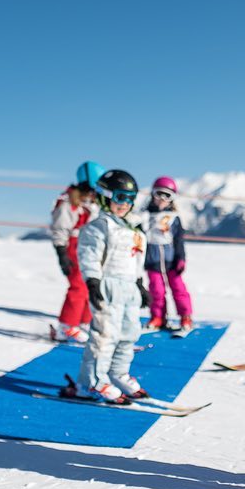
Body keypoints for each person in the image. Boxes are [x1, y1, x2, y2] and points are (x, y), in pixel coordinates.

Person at [69, 169, 152, 404]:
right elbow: (89, 255)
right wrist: (93, 282)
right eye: (120, 197)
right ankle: (91, 382)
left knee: (129, 334)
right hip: (107, 286)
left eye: (130, 198)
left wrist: (140, 284)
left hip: (129, 289)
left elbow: (136, 260)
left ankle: (118, 373)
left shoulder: (133, 229)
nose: (125, 204)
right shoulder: (99, 226)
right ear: (105, 197)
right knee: (105, 336)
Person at [49, 161, 104, 343]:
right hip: (73, 246)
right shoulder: (68, 202)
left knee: (91, 283)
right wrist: (61, 252)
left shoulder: (93, 201)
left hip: (89, 246)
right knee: (78, 286)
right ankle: (66, 326)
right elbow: (60, 228)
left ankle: (84, 322)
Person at [141, 176, 194, 333]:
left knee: (178, 289)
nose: (162, 199)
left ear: (172, 199)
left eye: (167, 195)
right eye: (159, 194)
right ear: (152, 195)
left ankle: (185, 316)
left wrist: (181, 258)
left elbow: (178, 240)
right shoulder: (145, 216)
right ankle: (158, 317)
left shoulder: (174, 218)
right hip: (152, 260)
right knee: (156, 291)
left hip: (171, 261)